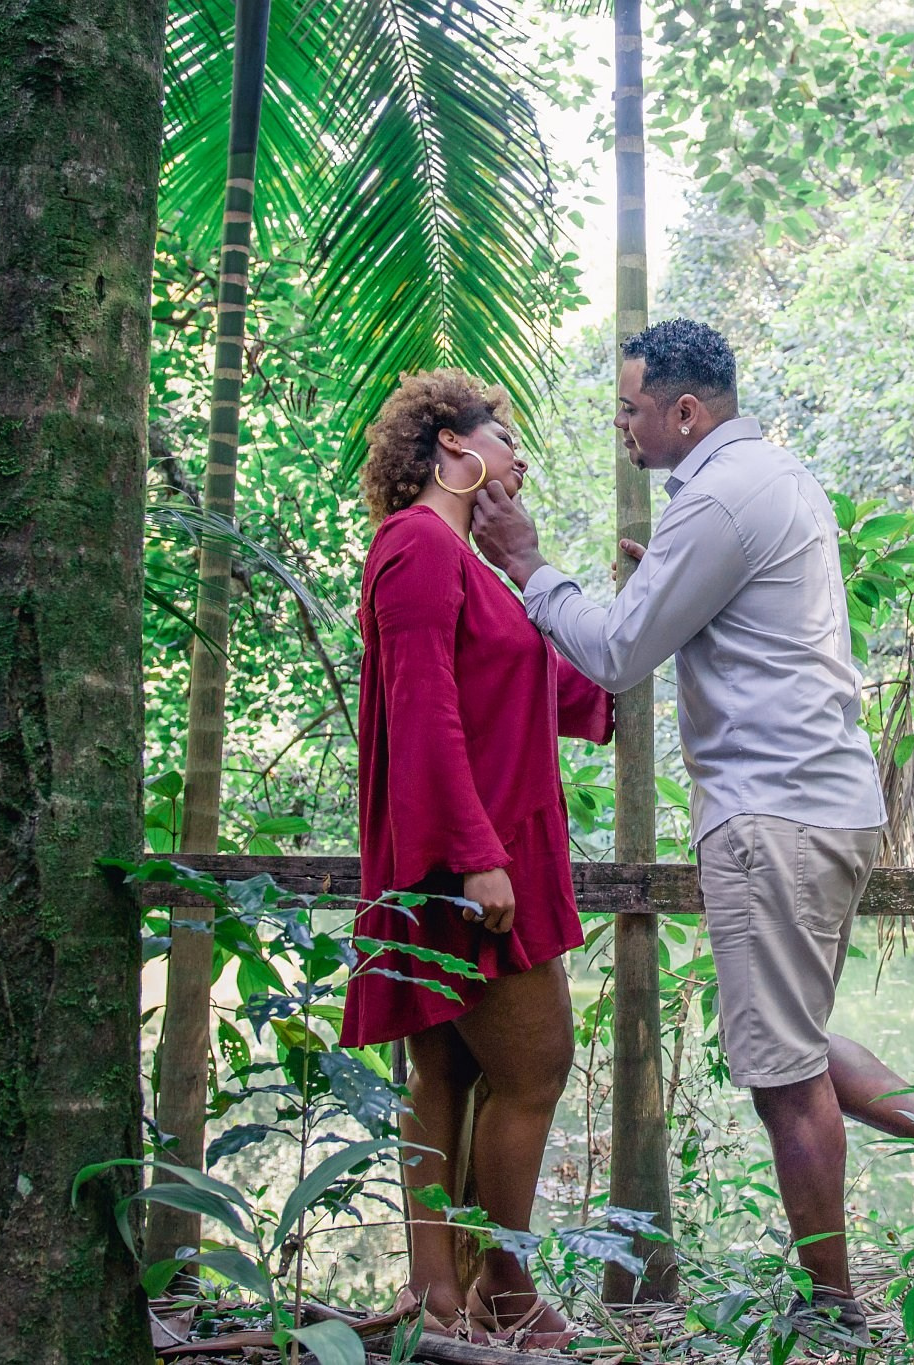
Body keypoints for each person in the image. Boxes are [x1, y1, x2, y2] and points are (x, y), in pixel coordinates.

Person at [471, 319, 914, 1338]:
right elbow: (740, 621)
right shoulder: (772, 479)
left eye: (630, 408)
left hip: (770, 811)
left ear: (683, 412)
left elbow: (609, 654)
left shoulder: (722, 498)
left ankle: (835, 1309)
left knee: (781, 1079)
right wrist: (666, 579)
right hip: (823, 802)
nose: (621, 426)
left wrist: (529, 563)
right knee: (793, 1038)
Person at [341, 370, 611, 1349]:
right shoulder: (416, 547)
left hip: (478, 855)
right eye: (503, 436)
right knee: (537, 1067)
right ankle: (502, 1281)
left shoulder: (464, 563)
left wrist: (636, 621)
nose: (519, 455)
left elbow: (554, 693)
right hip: (468, 866)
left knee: (447, 1075)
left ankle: (437, 1297)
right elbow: (425, 710)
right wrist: (474, 857)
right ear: (452, 449)